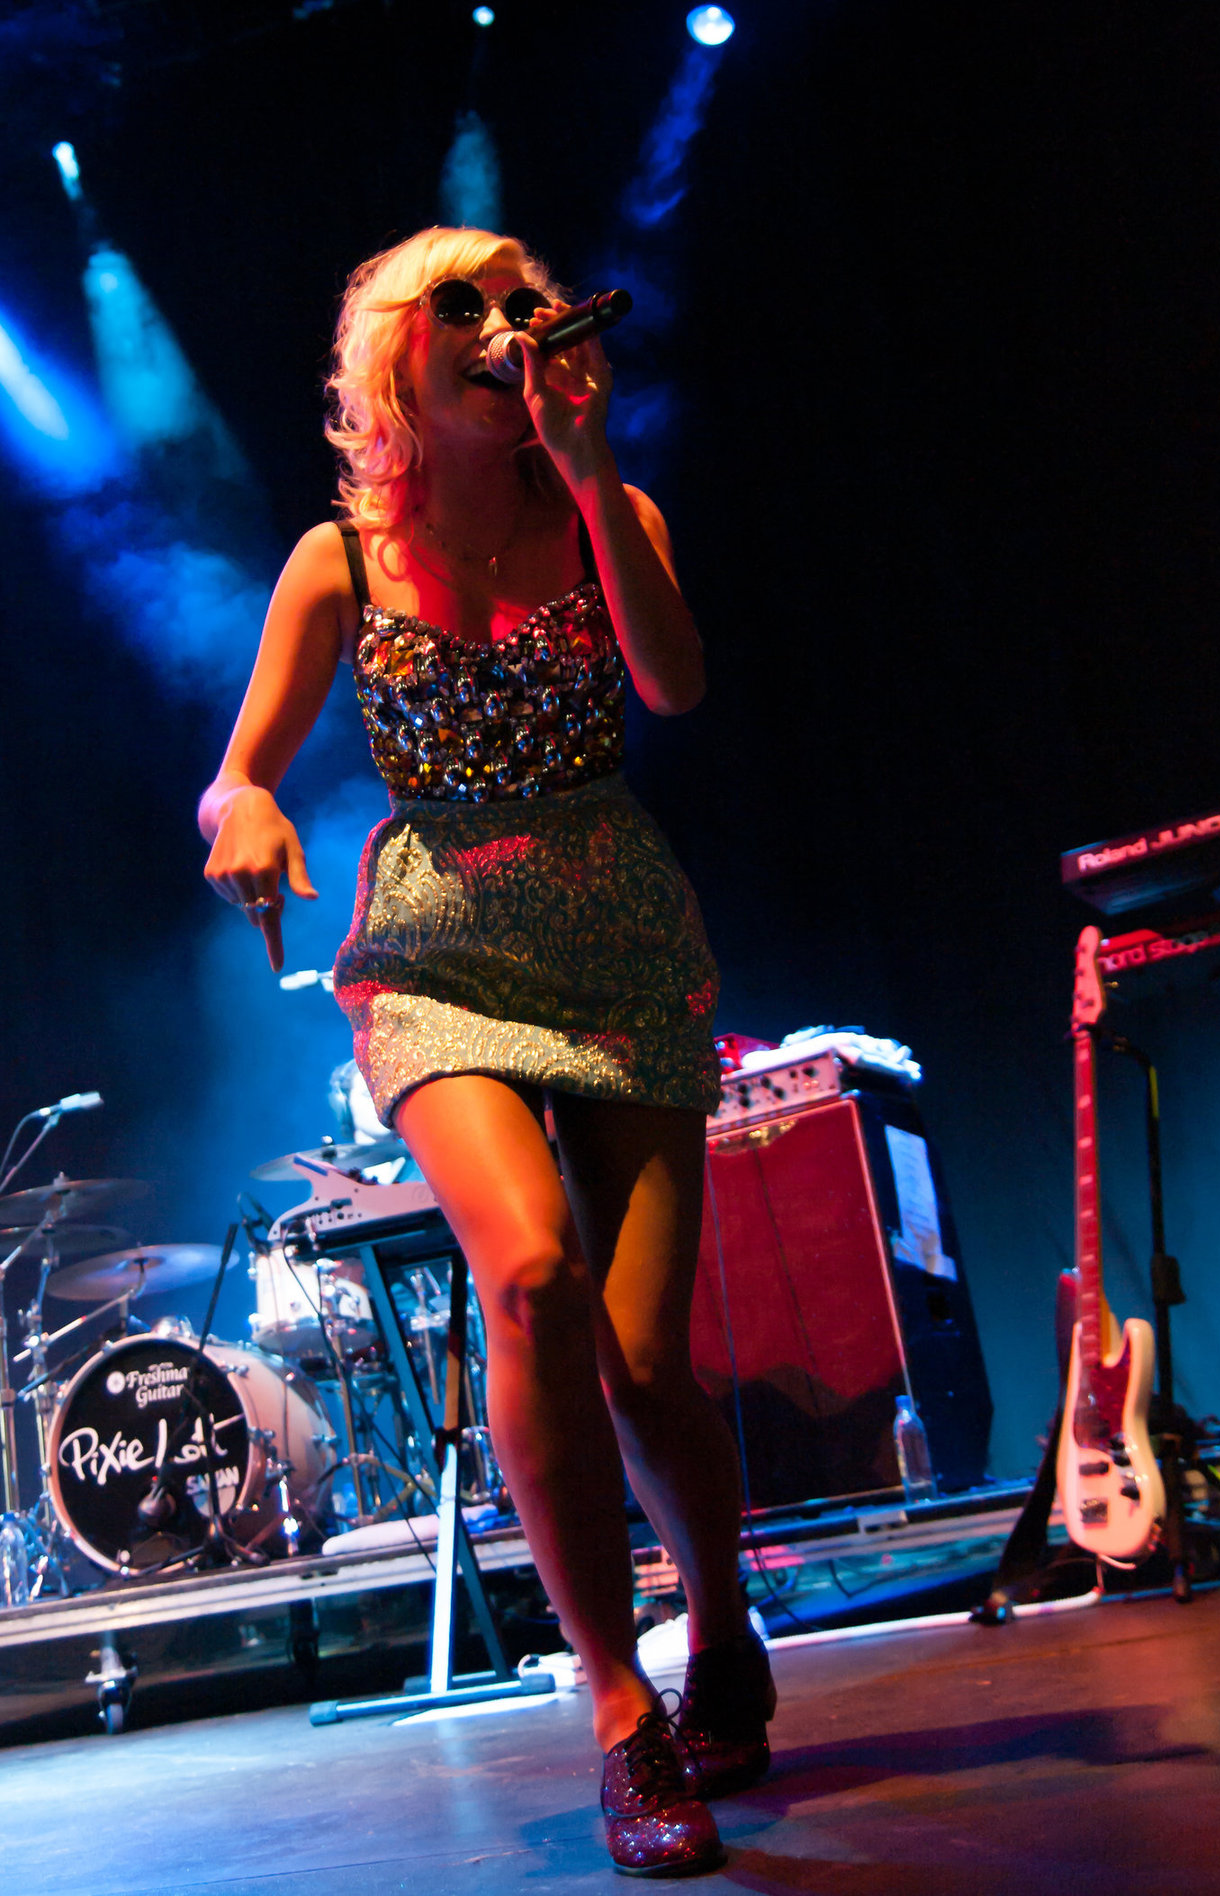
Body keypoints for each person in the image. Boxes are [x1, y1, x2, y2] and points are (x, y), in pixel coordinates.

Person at [199, 225, 774, 1876]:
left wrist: (599, 480)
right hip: (436, 948)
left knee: (645, 1360)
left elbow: (673, 683)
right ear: (396, 357)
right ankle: (618, 1711)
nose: (497, 320)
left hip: (619, 937)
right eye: (457, 300)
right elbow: (232, 770)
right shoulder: (338, 558)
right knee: (526, 1276)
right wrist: (240, 805)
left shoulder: (608, 514)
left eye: (516, 294)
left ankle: (720, 1626)